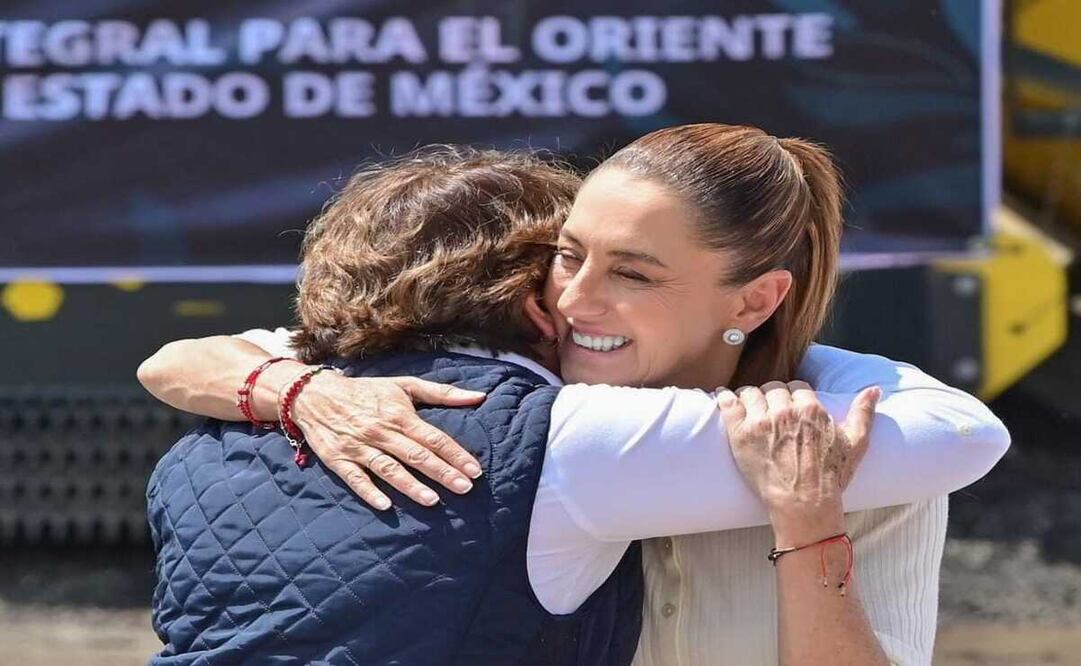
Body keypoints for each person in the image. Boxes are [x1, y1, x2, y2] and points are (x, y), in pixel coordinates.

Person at [141, 130, 1010, 665]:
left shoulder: (851, 447)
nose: (574, 298)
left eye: (631, 272)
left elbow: (965, 433)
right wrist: (301, 394)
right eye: (565, 255)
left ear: (754, 300)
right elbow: (178, 360)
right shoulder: (554, 414)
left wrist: (808, 523)